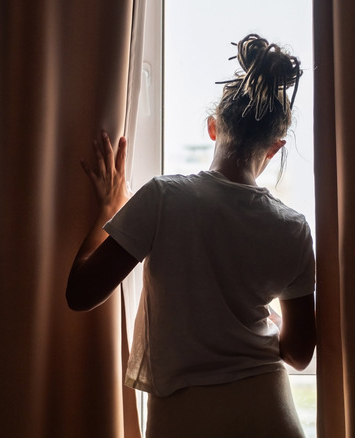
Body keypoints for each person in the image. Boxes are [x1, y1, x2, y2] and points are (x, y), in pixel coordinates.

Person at [66, 34, 316, 437]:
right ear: (274, 147)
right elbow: (300, 354)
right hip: (271, 415)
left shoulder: (164, 197)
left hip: (185, 419)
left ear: (213, 127)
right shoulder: (293, 227)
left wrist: (111, 208)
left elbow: (80, 293)